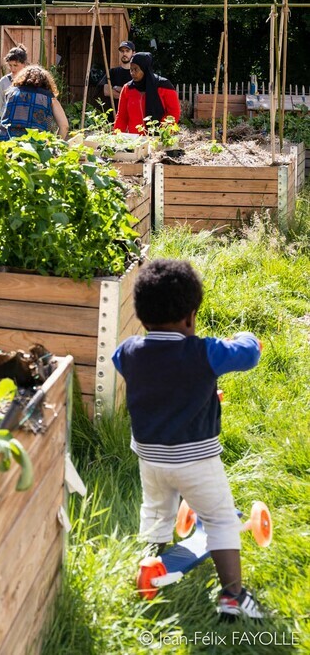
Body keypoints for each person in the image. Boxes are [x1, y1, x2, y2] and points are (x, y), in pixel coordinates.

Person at [113, 258, 264, 620]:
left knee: (156, 513)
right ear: (190, 316)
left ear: (142, 314)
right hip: (196, 460)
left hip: (150, 459)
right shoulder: (204, 352)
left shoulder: (129, 351)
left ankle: (151, 568)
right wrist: (245, 338)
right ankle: (233, 596)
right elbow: (249, 354)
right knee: (221, 520)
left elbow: (138, 370)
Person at [114, 51, 180, 133]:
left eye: (136, 69)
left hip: (157, 139)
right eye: (131, 69)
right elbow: (121, 117)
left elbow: (174, 113)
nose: (132, 73)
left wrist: (162, 132)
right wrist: (115, 138)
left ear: (145, 69)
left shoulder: (163, 86)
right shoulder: (127, 88)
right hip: (135, 140)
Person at [0, 65, 69, 140]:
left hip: (7, 142)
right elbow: (64, 126)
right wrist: (56, 145)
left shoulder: (10, 93)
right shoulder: (49, 98)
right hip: (36, 145)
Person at [99, 40, 136, 114]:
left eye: (127, 51)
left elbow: (138, 94)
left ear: (133, 53)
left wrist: (116, 88)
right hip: (114, 114)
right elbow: (106, 91)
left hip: (132, 113)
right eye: (122, 51)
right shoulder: (112, 72)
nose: (124, 53)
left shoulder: (136, 73)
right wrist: (127, 95)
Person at [0, 45, 28, 117]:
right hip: (7, 121)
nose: (12, 69)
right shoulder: (4, 81)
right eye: (10, 65)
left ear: (24, 64)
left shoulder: (30, 81)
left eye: (15, 65)